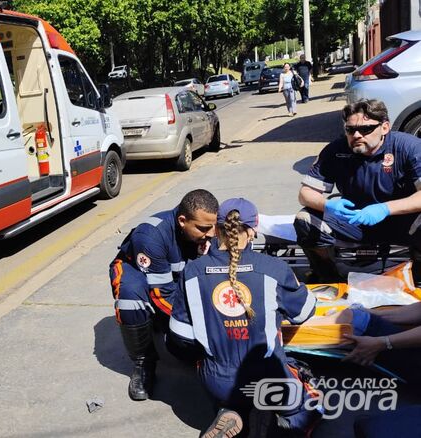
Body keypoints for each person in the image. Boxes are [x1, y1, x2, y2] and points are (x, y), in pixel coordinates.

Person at [168, 198, 321, 437]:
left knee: (225, 379)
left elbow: (180, 335)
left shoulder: (192, 271)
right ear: (253, 230)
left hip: (216, 381)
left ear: (216, 229)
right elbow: (304, 312)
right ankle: (275, 424)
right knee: (314, 401)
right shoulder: (274, 268)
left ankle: (232, 410)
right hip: (268, 378)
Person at [294, 99, 421, 284]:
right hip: (355, 221)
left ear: (384, 127)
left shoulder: (409, 147)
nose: (357, 135)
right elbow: (305, 194)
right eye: (350, 129)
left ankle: (417, 272)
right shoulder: (335, 150)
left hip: (401, 222)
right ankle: (330, 277)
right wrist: (328, 205)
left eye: (366, 129)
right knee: (305, 220)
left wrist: (384, 208)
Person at [109, 189, 218, 401]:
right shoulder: (151, 236)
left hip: (170, 279)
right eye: (204, 228)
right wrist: (199, 326)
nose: (212, 233)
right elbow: (162, 294)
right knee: (130, 298)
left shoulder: (207, 229)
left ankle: (161, 323)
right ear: (182, 221)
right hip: (138, 273)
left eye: (213, 226)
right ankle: (143, 363)